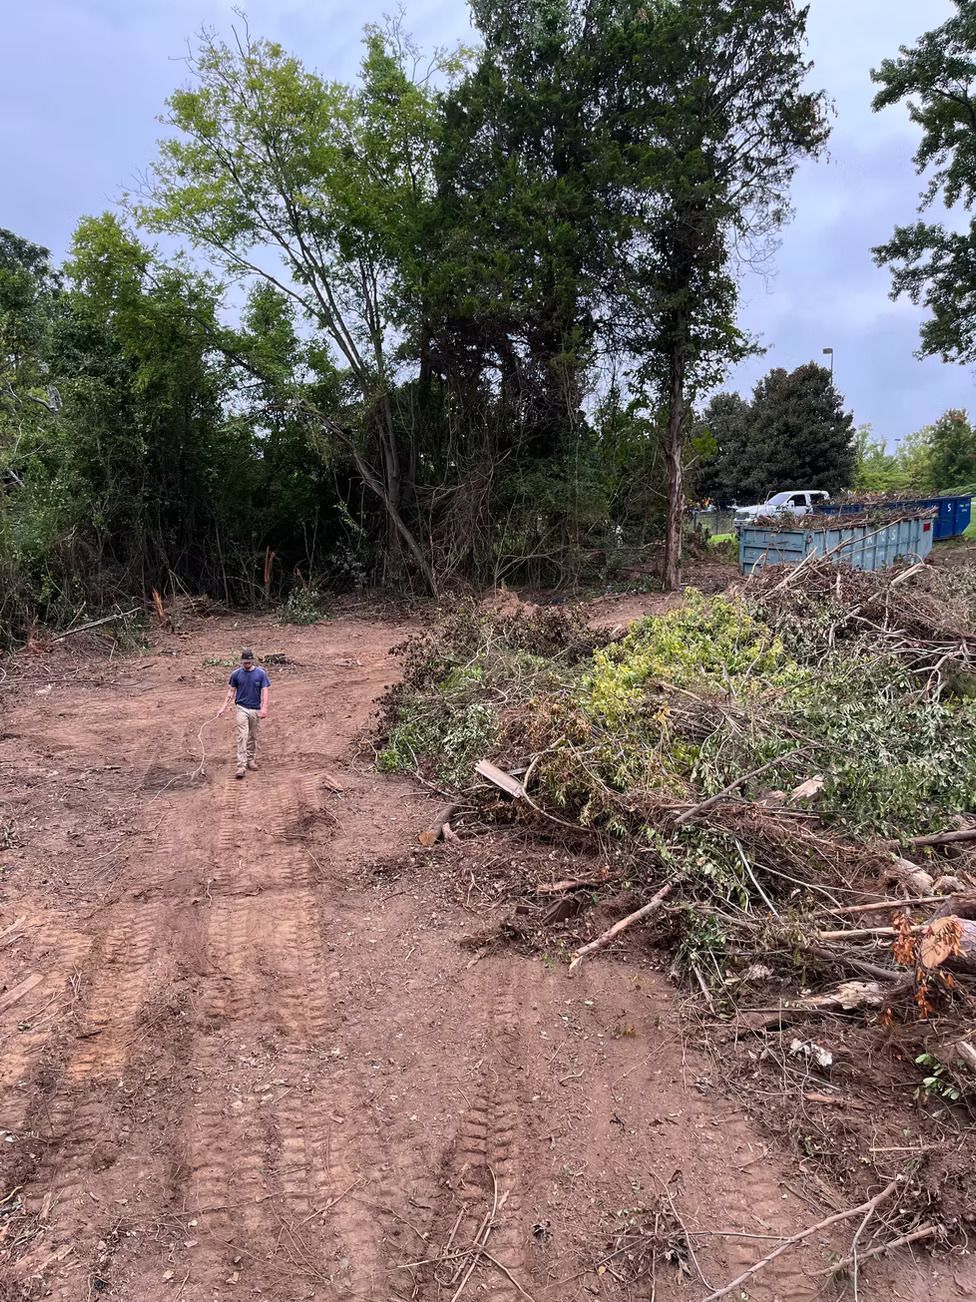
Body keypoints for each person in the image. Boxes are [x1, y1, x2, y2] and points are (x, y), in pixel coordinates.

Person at [217, 649, 270, 779]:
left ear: (252, 661)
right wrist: (223, 707)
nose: (246, 665)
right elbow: (231, 692)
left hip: (255, 709)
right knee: (242, 735)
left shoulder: (260, 674)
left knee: (253, 735)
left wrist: (264, 708)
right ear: (242, 662)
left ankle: (251, 760)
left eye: (248, 662)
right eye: (244, 662)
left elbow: (265, 691)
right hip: (241, 708)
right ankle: (241, 765)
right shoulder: (236, 674)